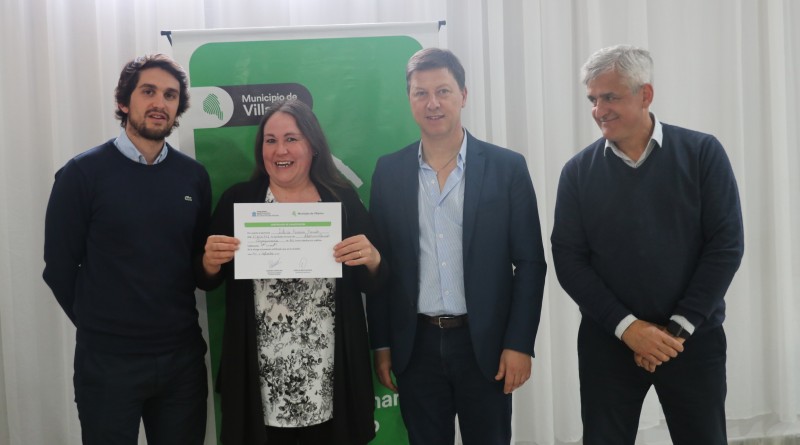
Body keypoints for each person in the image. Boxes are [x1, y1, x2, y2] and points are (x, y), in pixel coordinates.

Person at [551, 44, 745, 444]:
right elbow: (569, 260)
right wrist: (629, 329)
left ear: (646, 95)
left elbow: (725, 245)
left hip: (692, 340)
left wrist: (675, 332)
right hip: (609, 342)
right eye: (593, 99)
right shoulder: (577, 173)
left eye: (610, 97)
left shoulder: (702, 153)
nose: (599, 110)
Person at [367, 48, 547, 444]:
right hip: (416, 346)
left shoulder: (507, 168)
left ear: (463, 95)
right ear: (410, 99)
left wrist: (519, 343)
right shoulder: (388, 172)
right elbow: (381, 268)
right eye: (421, 93)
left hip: (485, 346)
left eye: (443, 91)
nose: (432, 103)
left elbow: (530, 263)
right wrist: (382, 343)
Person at [43, 54, 211, 444]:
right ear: (123, 102)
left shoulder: (193, 177)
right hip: (107, 364)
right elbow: (59, 269)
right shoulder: (81, 174)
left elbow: (197, 266)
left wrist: (212, 266)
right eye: (148, 91)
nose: (160, 103)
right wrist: (103, 328)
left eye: (170, 95)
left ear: (178, 108)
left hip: (182, 361)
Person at [197, 99, 387, 445]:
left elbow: (373, 282)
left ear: (312, 146)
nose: (279, 150)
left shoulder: (341, 200)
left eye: (291, 139)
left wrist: (372, 259)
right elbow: (207, 279)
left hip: (329, 376)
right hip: (260, 379)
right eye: (270, 140)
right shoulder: (238, 201)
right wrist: (210, 262)